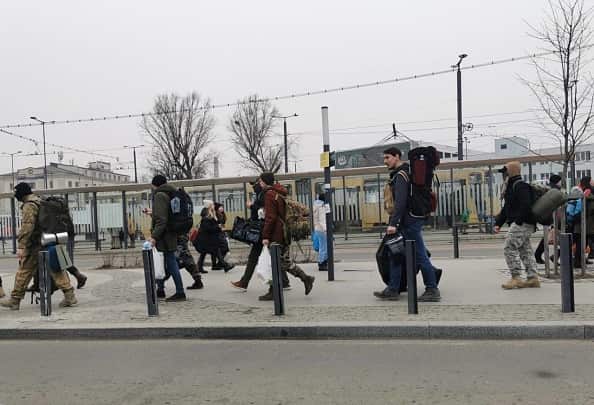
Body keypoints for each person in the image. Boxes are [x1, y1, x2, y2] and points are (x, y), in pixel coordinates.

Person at [373, 147, 441, 302]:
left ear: (397, 156)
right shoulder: (404, 172)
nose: (385, 161)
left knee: (419, 255)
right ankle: (393, 289)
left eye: (388, 157)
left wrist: (393, 223)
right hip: (408, 220)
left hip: (408, 221)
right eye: (384, 158)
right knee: (395, 253)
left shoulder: (402, 175)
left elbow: (401, 202)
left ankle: (432, 288)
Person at [1, 183, 78, 310]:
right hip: (50, 240)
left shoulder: (29, 205)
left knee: (24, 271)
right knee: (56, 269)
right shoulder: (40, 200)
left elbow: (27, 227)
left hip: (36, 244)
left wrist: (21, 246)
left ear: (22, 193)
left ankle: (15, 300)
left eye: (16, 193)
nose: (15, 196)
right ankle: (70, 296)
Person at [258, 172, 314, 301]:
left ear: (265, 181)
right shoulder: (279, 192)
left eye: (260, 181)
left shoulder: (269, 194)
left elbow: (271, 218)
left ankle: (303, 279)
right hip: (283, 232)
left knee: (277, 263)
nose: (260, 183)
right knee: (281, 262)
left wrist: (265, 235)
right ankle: (304, 279)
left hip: (276, 234)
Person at [230, 179, 290, 291]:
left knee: (257, 257)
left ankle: (245, 282)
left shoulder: (266, 194)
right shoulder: (274, 192)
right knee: (276, 257)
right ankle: (285, 282)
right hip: (269, 230)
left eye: (256, 184)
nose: (256, 187)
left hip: (264, 230)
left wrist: (252, 207)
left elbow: (267, 214)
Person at [495, 162, 540, 289]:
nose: (504, 175)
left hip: (523, 223)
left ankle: (516, 277)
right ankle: (532, 278)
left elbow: (526, 205)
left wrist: (518, 221)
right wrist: (498, 223)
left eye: (505, 171)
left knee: (509, 247)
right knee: (525, 250)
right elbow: (507, 208)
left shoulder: (520, 186)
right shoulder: (512, 186)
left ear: (511, 171)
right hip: (522, 222)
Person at [149, 175, 186, 302]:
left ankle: (179, 291)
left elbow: (161, 220)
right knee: (165, 262)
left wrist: (154, 236)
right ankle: (160, 289)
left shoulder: (159, 195)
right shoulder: (171, 193)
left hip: (163, 235)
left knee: (167, 262)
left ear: (155, 185)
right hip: (171, 233)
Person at [195, 200, 234, 273]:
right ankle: (225, 265)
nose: (214, 206)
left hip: (208, 238)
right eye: (212, 205)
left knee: (205, 252)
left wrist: (217, 226)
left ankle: (199, 267)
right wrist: (218, 227)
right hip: (206, 238)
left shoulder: (211, 214)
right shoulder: (207, 215)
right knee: (215, 250)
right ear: (209, 206)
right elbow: (208, 228)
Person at [534, 174, 562, 264]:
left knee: (548, 237)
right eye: (560, 181)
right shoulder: (554, 190)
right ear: (557, 182)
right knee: (549, 237)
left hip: (548, 216)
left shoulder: (549, 189)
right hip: (550, 216)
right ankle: (540, 255)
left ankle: (539, 255)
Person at [211, 202, 229, 270]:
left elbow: (222, 223)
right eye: (220, 207)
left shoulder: (222, 214)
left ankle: (219, 264)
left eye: (222, 207)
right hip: (217, 234)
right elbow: (217, 223)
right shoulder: (215, 214)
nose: (222, 208)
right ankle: (218, 264)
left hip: (221, 233)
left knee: (218, 250)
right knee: (216, 250)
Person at [313, 193, 328, 271]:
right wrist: (326, 230)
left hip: (317, 229)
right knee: (323, 247)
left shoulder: (316, 205)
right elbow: (322, 220)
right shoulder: (321, 207)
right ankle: (322, 263)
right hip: (322, 230)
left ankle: (323, 262)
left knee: (322, 247)